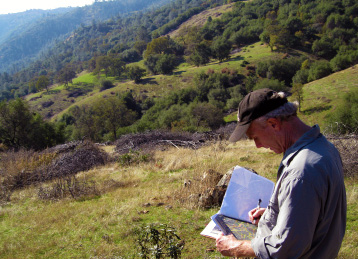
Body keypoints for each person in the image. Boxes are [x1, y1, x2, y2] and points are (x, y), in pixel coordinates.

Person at [216, 88, 346, 258]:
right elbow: (313, 214)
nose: (258, 145)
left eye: (255, 137)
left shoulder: (300, 172)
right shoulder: (324, 148)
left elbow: (284, 249)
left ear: (273, 124)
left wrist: (236, 247)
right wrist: (279, 212)